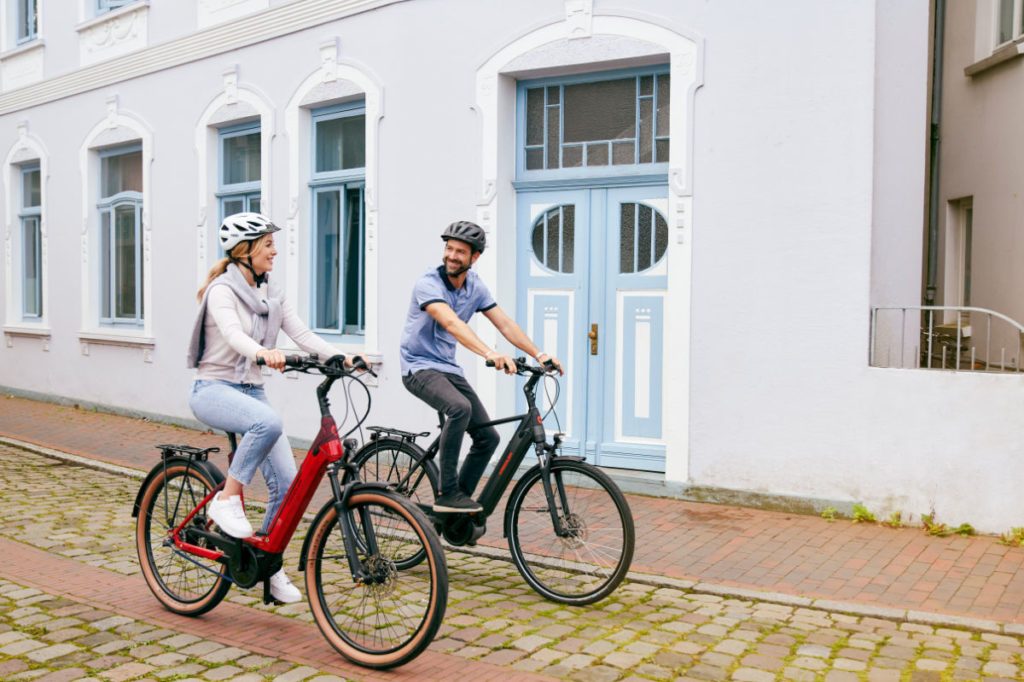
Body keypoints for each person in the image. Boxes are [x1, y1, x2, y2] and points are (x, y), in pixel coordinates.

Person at [186, 211, 348, 603]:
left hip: (251, 391)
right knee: (268, 422)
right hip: (213, 388)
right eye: (268, 244)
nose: (275, 251)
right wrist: (263, 353)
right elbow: (232, 334)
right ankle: (228, 498)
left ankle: (267, 564)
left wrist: (341, 355)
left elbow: (301, 332)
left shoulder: (271, 294)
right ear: (246, 251)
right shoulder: (222, 291)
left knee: (288, 485)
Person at [399, 220, 563, 513]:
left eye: (460, 251)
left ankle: (456, 514)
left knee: (488, 437)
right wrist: (489, 353)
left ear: (474, 257)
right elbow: (451, 322)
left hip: (447, 369)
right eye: (448, 249)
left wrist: (540, 354)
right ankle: (447, 493)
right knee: (459, 408)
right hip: (418, 367)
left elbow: (504, 323)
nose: (451, 256)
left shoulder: (475, 286)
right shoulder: (428, 284)